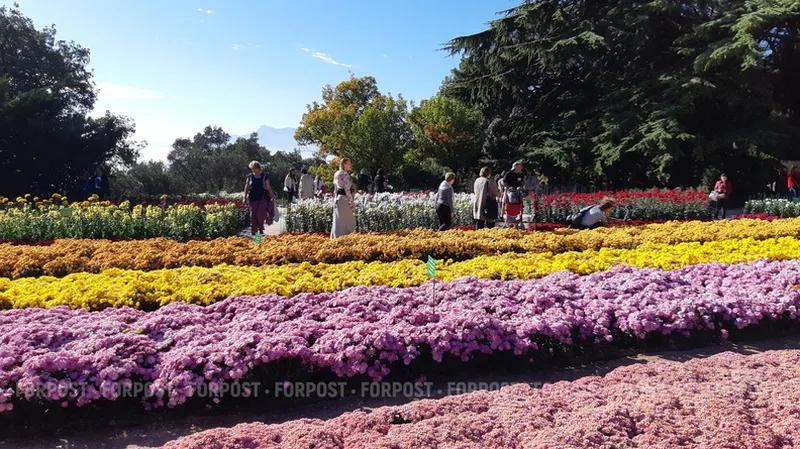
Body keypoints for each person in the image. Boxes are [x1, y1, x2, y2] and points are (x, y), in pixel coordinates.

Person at [243, 161, 276, 235]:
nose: (252, 170)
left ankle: (260, 230)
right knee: (253, 215)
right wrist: (244, 197)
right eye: (251, 169)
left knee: (260, 215)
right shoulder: (250, 177)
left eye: (253, 168)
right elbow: (247, 187)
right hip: (252, 198)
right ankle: (254, 231)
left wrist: (272, 196)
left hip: (263, 198)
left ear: (257, 168)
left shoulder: (264, 176)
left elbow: (268, 187)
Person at [331, 158, 357, 238]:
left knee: (338, 222)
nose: (350, 165)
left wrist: (334, 201)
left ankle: (335, 239)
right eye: (349, 164)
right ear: (344, 164)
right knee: (349, 222)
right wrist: (351, 201)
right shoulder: (345, 174)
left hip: (338, 199)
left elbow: (335, 189)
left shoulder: (336, 174)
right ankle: (346, 240)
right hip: (344, 199)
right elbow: (346, 189)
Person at [502, 161, 525, 228]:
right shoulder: (508, 174)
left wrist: (520, 187)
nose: (521, 168)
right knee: (508, 206)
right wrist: (509, 187)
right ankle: (508, 222)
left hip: (518, 192)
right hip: (510, 192)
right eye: (520, 167)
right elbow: (503, 182)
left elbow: (522, 183)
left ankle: (519, 222)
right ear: (515, 167)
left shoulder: (520, 175)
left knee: (519, 206)